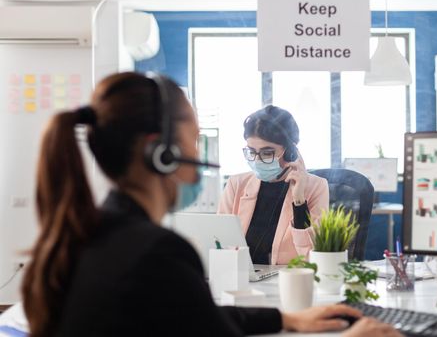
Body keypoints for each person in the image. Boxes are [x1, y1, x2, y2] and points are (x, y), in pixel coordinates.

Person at [20, 72, 402, 337]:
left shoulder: (87, 236)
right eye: (194, 138)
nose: (198, 152)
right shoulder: (158, 253)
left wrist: (286, 320)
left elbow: (195, 317)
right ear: (162, 153)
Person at [218, 105, 329, 265]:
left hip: (290, 281)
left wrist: (299, 201)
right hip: (241, 280)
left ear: (290, 152)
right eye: (251, 152)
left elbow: (313, 258)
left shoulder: (316, 187)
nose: (257, 160)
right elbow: (219, 244)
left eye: (267, 153)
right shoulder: (236, 185)